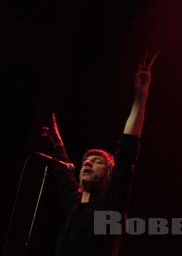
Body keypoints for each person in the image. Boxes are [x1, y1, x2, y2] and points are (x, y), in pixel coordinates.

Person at [41, 50, 159, 255]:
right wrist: (56, 141)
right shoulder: (75, 207)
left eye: (97, 162)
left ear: (110, 173)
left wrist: (141, 94)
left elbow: (127, 149)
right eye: (86, 160)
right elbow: (63, 175)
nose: (87, 163)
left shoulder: (110, 209)